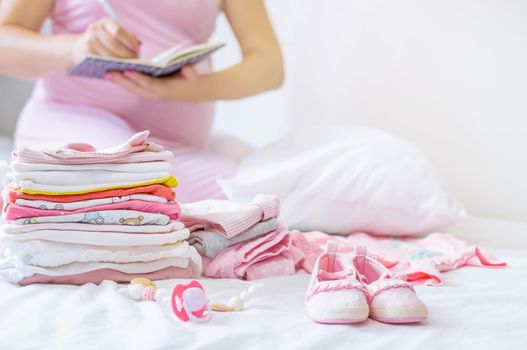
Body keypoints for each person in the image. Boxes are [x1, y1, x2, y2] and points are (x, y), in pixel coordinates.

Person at [0, 0, 284, 201]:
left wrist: (187, 89)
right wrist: (75, 49)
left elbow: (269, 67)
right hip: (75, 122)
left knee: (262, 203)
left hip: (175, 148)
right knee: (115, 181)